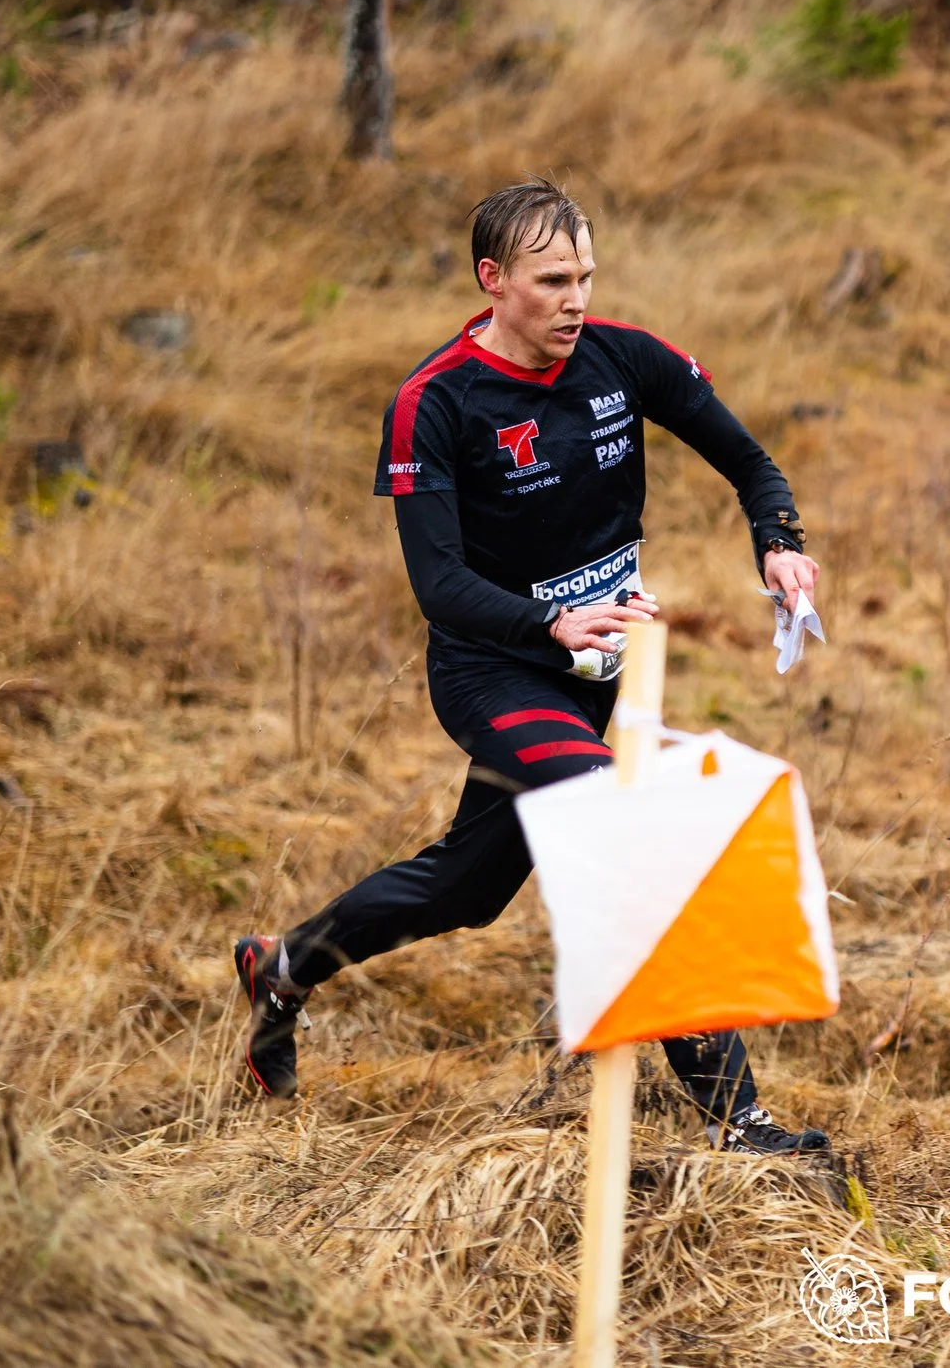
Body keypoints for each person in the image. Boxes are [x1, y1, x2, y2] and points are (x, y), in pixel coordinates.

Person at [232, 177, 828, 1155]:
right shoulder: (434, 403)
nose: (576, 299)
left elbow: (753, 462)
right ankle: (740, 1120)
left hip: (595, 677)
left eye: (586, 275)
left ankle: (282, 964)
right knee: (624, 820)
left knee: (466, 887)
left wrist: (778, 541)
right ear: (492, 279)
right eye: (553, 280)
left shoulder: (623, 359)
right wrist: (552, 621)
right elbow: (437, 584)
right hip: (491, 674)